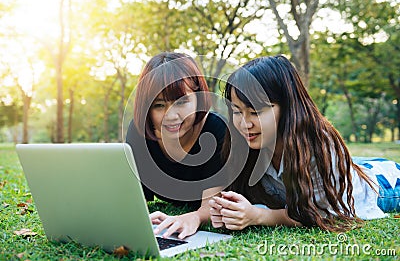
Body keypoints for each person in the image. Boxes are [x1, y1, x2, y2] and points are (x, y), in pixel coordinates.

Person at [209, 55, 400, 232]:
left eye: (256, 111)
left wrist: (259, 216)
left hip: (384, 186)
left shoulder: (317, 145)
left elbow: (320, 213)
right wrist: (227, 210)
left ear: (287, 107)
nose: (245, 124)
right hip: (353, 167)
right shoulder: (246, 144)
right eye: (237, 111)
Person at [126, 52, 227, 239]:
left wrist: (193, 217)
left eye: (182, 102)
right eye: (159, 105)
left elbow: (212, 204)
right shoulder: (139, 133)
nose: (171, 116)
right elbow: (131, 196)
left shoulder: (215, 130)